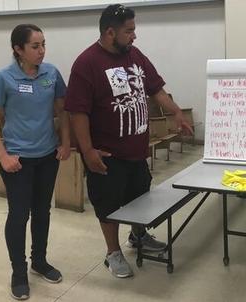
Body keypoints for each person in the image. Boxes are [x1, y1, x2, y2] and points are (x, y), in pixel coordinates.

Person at [64, 4, 193, 278]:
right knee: (108, 205)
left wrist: (177, 112)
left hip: (136, 150)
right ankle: (113, 253)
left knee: (141, 196)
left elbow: (155, 89)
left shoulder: (134, 55)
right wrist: (87, 151)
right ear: (110, 32)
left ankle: (138, 236)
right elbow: (77, 112)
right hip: (107, 154)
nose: (134, 36)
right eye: (129, 31)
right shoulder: (87, 63)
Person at [0, 24, 70, 300]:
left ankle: (40, 262)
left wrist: (65, 142)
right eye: (35, 46)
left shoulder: (51, 73)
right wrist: (3, 156)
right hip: (18, 161)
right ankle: (19, 272)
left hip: (47, 157)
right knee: (19, 215)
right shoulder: (4, 78)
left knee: (42, 211)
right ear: (18, 50)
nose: (42, 51)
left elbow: (62, 111)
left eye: (44, 44)